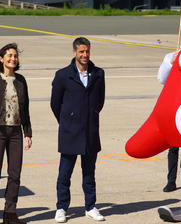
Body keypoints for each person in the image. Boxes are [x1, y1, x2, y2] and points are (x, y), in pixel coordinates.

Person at [51, 37, 105, 223]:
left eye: (87, 51)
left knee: (89, 174)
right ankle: (61, 207)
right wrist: (67, 120)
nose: (85, 55)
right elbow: (55, 104)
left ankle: (90, 206)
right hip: (70, 133)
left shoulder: (98, 74)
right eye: (81, 51)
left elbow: (100, 101)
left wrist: (90, 117)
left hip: (90, 132)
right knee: (64, 174)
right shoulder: (62, 75)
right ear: (74, 52)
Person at [0, 43, 32, 224]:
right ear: (1, 59)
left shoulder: (21, 80)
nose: (13, 58)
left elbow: (25, 109)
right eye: (9, 55)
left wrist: (28, 132)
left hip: (16, 131)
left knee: (15, 174)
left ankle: (10, 212)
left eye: (15, 56)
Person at [157, 23, 181, 193]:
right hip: (175, 106)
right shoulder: (171, 56)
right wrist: (172, 63)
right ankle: (171, 180)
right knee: (173, 147)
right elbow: (161, 79)